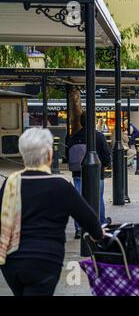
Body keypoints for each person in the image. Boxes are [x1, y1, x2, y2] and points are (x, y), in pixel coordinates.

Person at [0, 128, 104, 296]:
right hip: (45, 259)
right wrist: (98, 234)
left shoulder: (11, 183)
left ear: (22, 154)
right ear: (49, 155)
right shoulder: (60, 185)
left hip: (12, 261)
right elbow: (89, 218)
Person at [68, 112, 111, 239]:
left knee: (79, 200)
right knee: (98, 199)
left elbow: (67, 155)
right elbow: (106, 156)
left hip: (78, 173)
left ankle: (79, 228)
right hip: (97, 175)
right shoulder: (98, 136)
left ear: (81, 122)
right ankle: (101, 224)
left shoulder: (74, 136)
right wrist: (104, 165)